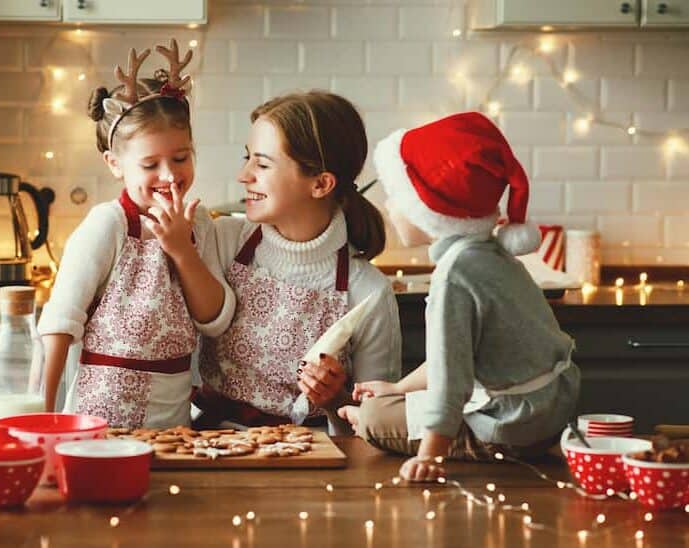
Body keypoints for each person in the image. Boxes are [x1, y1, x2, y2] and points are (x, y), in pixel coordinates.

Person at [339, 112, 580, 480]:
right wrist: (399, 388)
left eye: (396, 196)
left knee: (375, 416)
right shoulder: (492, 254)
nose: (388, 207)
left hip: (509, 426)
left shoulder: (454, 276)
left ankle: (374, 423)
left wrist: (429, 457)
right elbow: (455, 357)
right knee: (392, 400)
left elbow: (453, 381)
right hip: (546, 412)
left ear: (431, 210)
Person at [37, 41, 235, 428]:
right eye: (150, 164)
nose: (169, 175)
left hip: (172, 419)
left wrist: (182, 250)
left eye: (181, 158)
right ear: (115, 164)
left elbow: (214, 319)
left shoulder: (200, 225)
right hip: (101, 415)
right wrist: (42, 414)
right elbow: (61, 321)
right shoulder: (107, 225)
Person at [195, 91, 401, 432]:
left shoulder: (368, 291)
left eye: (261, 164)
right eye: (248, 159)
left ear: (320, 184)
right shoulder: (224, 241)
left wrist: (337, 401)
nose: (243, 175)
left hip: (310, 459)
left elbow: (378, 426)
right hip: (210, 443)